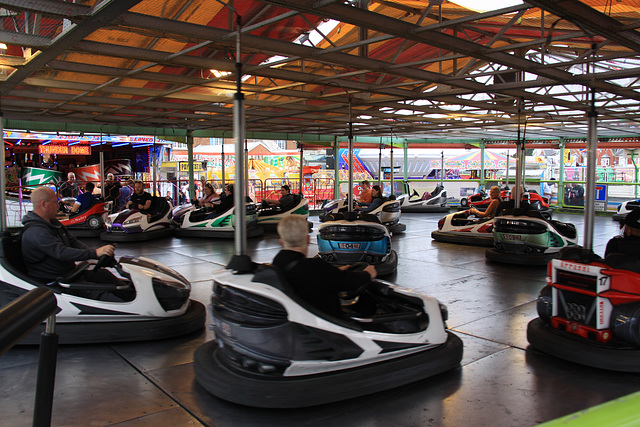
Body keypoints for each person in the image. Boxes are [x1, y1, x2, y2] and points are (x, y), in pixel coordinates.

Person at [272, 215, 377, 318]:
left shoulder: (277, 262)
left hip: (299, 316)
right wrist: (367, 274)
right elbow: (345, 281)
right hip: (324, 321)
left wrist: (335, 271)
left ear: (281, 241)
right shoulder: (314, 266)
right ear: (308, 239)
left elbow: (318, 277)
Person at [21, 187, 118, 289]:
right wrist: (94, 253)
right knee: (103, 293)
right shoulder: (36, 231)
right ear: (43, 204)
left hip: (70, 274)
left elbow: (72, 242)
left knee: (104, 276)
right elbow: (61, 252)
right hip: (55, 282)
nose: (58, 205)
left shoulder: (53, 223)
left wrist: (96, 254)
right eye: (55, 202)